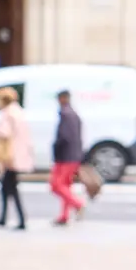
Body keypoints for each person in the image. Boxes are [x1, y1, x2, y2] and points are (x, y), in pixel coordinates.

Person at [0, 85, 30, 230]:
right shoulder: (18, 111)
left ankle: (16, 219)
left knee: (9, 188)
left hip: (10, 156)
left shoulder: (8, 113)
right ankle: (8, 217)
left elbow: (3, 133)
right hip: (17, 155)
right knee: (9, 188)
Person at [48, 88, 90, 225]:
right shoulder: (74, 114)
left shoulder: (65, 114)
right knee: (66, 185)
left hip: (65, 156)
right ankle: (64, 216)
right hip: (74, 155)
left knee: (56, 185)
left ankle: (77, 204)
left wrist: (56, 149)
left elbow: (64, 137)